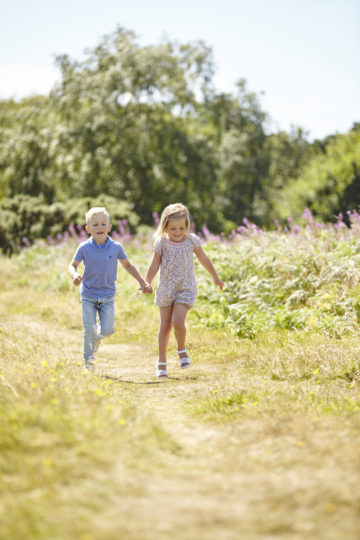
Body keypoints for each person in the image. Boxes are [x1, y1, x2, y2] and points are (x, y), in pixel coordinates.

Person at [68, 206, 152, 372]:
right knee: (88, 329)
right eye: (95, 225)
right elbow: (72, 265)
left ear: (109, 227)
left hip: (107, 296)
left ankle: (97, 338)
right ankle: (88, 362)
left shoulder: (116, 247)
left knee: (106, 330)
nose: (99, 227)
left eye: (103, 224)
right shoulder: (84, 247)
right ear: (88, 229)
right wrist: (74, 275)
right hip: (88, 295)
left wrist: (142, 282)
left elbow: (128, 265)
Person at [145, 203, 224, 378]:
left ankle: (182, 349)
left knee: (178, 322)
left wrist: (215, 277)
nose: (178, 232)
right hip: (166, 288)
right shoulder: (161, 243)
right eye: (173, 228)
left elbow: (204, 259)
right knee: (165, 326)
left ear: (187, 226)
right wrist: (147, 282)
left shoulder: (192, 240)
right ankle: (161, 363)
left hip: (185, 288)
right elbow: (154, 264)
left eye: (182, 227)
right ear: (165, 226)